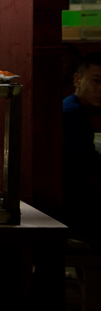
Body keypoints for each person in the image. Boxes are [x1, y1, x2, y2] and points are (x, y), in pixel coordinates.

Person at [62, 51, 101, 238]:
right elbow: (80, 169)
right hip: (70, 209)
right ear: (77, 79)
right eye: (96, 81)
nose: (100, 89)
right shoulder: (71, 114)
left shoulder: (77, 109)